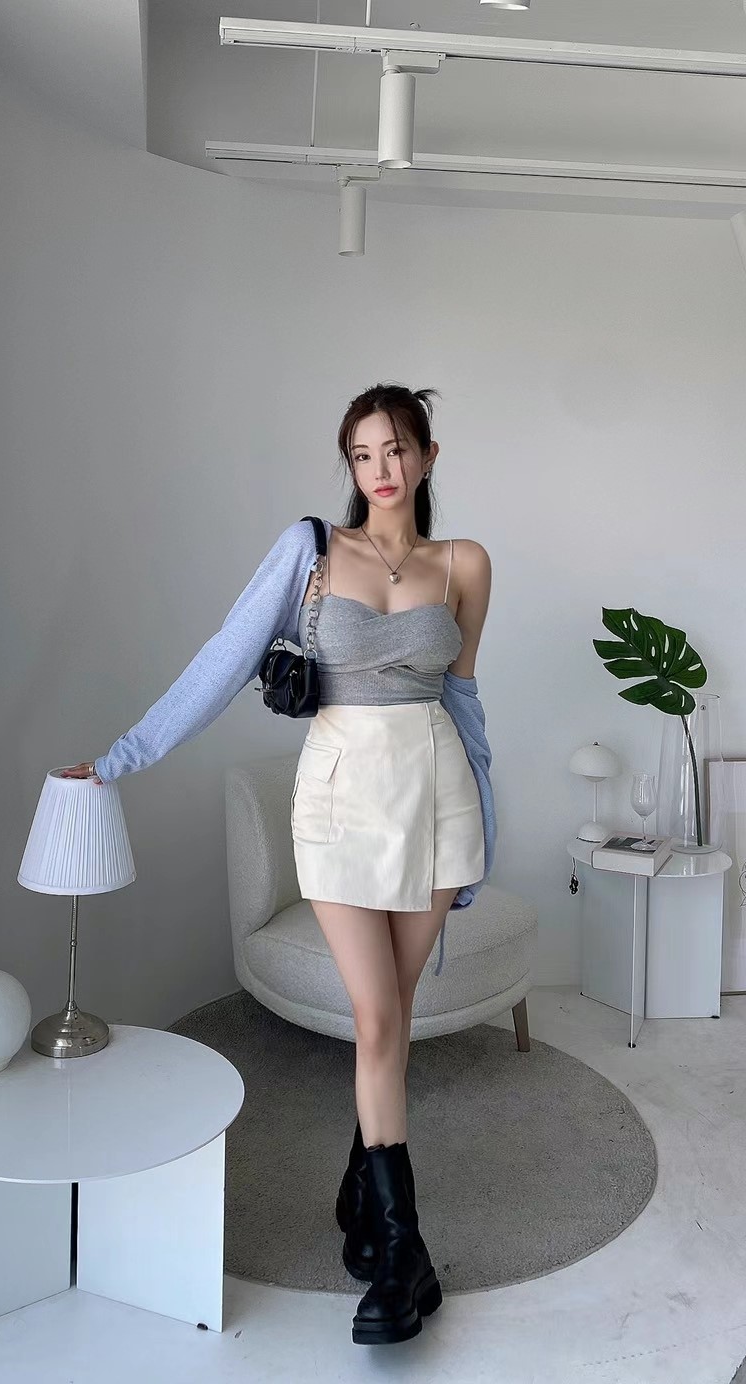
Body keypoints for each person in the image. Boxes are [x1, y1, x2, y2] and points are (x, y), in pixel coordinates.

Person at [61, 383, 493, 1347]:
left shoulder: (465, 563)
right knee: (376, 1019)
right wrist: (124, 755)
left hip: (439, 797)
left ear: (427, 456)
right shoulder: (313, 552)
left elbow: (464, 701)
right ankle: (404, 1252)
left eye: (396, 450)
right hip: (340, 800)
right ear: (350, 465)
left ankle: (364, 1199)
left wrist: (486, 827)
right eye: (362, 454)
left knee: (394, 1019)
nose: (380, 470)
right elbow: (225, 658)